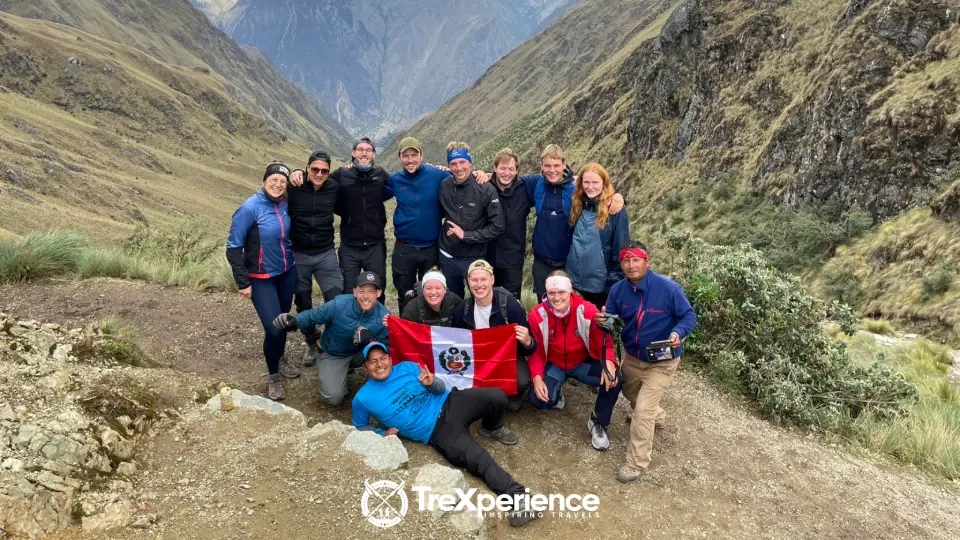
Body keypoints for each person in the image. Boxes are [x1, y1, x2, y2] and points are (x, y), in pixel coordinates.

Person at [352, 342, 538, 527]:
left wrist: (432, 383)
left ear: (390, 359)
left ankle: (491, 427)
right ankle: (519, 497)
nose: (379, 364)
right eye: (372, 362)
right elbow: (360, 426)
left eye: (383, 358)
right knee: (478, 457)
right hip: (436, 431)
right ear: (365, 367)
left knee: (497, 396)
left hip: (451, 402)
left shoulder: (407, 367)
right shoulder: (363, 398)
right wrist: (380, 433)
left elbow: (440, 388)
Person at [597, 241, 696, 484]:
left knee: (641, 411)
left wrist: (678, 333)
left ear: (647, 261)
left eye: (636, 260)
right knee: (631, 394)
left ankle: (636, 464)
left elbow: (688, 315)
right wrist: (604, 320)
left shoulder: (668, 288)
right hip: (632, 357)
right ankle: (657, 417)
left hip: (662, 360)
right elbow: (611, 317)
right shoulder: (618, 290)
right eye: (626, 261)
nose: (631, 266)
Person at [226, 163, 298, 401]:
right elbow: (234, 248)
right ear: (265, 180)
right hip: (261, 278)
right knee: (274, 328)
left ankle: (280, 357)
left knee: (284, 320)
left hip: (287, 272)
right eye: (273, 180)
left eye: (282, 181)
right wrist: (243, 282)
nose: (277, 184)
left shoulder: (285, 204)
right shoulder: (249, 208)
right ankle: (274, 375)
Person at [526, 271, 621, 450]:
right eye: (551, 293)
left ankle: (598, 422)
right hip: (555, 364)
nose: (556, 297)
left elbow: (605, 343)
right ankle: (557, 394)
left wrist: (609, 361)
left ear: (570, 292)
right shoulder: (536, 315)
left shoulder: (587, 310)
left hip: (582, 363)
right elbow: (535, 351)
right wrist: (537, 377)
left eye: (561, 292)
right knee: (538, 400)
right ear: (546, 294)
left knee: (615, 378)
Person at [287, 138, 390, 302]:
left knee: (377, 289)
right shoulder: (342, 174)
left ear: (374, 153)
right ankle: (349, 326)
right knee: (348, 292)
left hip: (375, 245)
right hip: (349, 246)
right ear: (353, 153)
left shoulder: (380, 174)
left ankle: (377, 324)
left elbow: (399, 184)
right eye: (360, 149)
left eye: (368, 150)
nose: (364, 153)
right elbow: (318, 180)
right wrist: (298, 171)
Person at [519, 145, 625, 299]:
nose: (552, 170)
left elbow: (597, 192)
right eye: (547, 165)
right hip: (541, 263)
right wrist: (488, 175)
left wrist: (617, 196)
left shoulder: (575, 190)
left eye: (556, 165)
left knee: (567, 310)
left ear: (564, 164)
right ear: (541, 166)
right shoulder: (536, 183)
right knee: (544, 311)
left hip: (568, 265)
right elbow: (509, 179)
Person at [273, 271, 390, 406]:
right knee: (334, 397)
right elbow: (313, 316)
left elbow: (387, 345)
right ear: (354, 292)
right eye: (361, 291)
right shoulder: (339, 304)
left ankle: (370, 391)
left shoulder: (384, 317)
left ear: (379, 293)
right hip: (334, 352)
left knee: (381, 367)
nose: (365, 296)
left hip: (361, 354)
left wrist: (371, 341)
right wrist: (294, 321)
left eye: (371, 291)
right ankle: (329, 368)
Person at [452, 260, 534, 410]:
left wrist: (527, 341)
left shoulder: (510, 305)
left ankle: (509, 396)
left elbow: (530, 349)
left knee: (522, 381)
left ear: (492, 279)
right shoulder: (463, 310)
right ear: (468, 282)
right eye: (474, 280)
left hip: (505, 357)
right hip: (477, 358)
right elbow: (456, 346)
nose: (479, 285)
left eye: (483, 279)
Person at [286, 150, 343, 366]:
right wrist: (293, 173)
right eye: (314, 169)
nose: (319, 174)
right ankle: (311, 342)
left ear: (329, 172)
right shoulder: (294, 187)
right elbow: (270, 187)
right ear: (307, 168)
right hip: (298, 253)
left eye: (324, 170)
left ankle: (330, 340)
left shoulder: (334, 187)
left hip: (325, 253)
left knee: (336, 299)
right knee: (302, 300)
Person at [385, 137, 451, 311]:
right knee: (404, 295)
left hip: (430, 249)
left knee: (431, 295)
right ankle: (405, 333)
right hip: (403, 249)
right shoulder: (395, 180)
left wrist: (485, 175)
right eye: (405, 156)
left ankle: (427, 333)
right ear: (399, 157)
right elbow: (371, 192)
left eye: (414, 155)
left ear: (421, 155)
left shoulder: (437, 174)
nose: (410, 160)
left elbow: (462, 177)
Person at [437, 142, 504, 299]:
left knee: (480, 300)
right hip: (447, 256)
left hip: (475, 259)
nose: (458, 168)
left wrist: (466, 235)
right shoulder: (444, 186)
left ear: (470, 163)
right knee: (452, 302)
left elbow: (497, 226)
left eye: (462, 162)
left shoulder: (485, 188)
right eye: (453, 164)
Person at [566, 163, 629, 309]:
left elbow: (620, 249)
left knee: (597, 328)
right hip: (574, 283)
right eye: (586, 182)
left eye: (595, 182)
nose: (590, 187)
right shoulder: (577, 204)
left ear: (604, 184)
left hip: (600, 288)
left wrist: (612, 286)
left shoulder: (615, 211)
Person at [486, 148, 532, 300]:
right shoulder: (484, 188)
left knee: (511, 302)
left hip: (513, 259)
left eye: (511, 169)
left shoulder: (524, 189)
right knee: (486, 300)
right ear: (495, 168)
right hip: (487, 257)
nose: (506, 173)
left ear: (517, 170)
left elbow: (552, 180)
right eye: (502, 168)